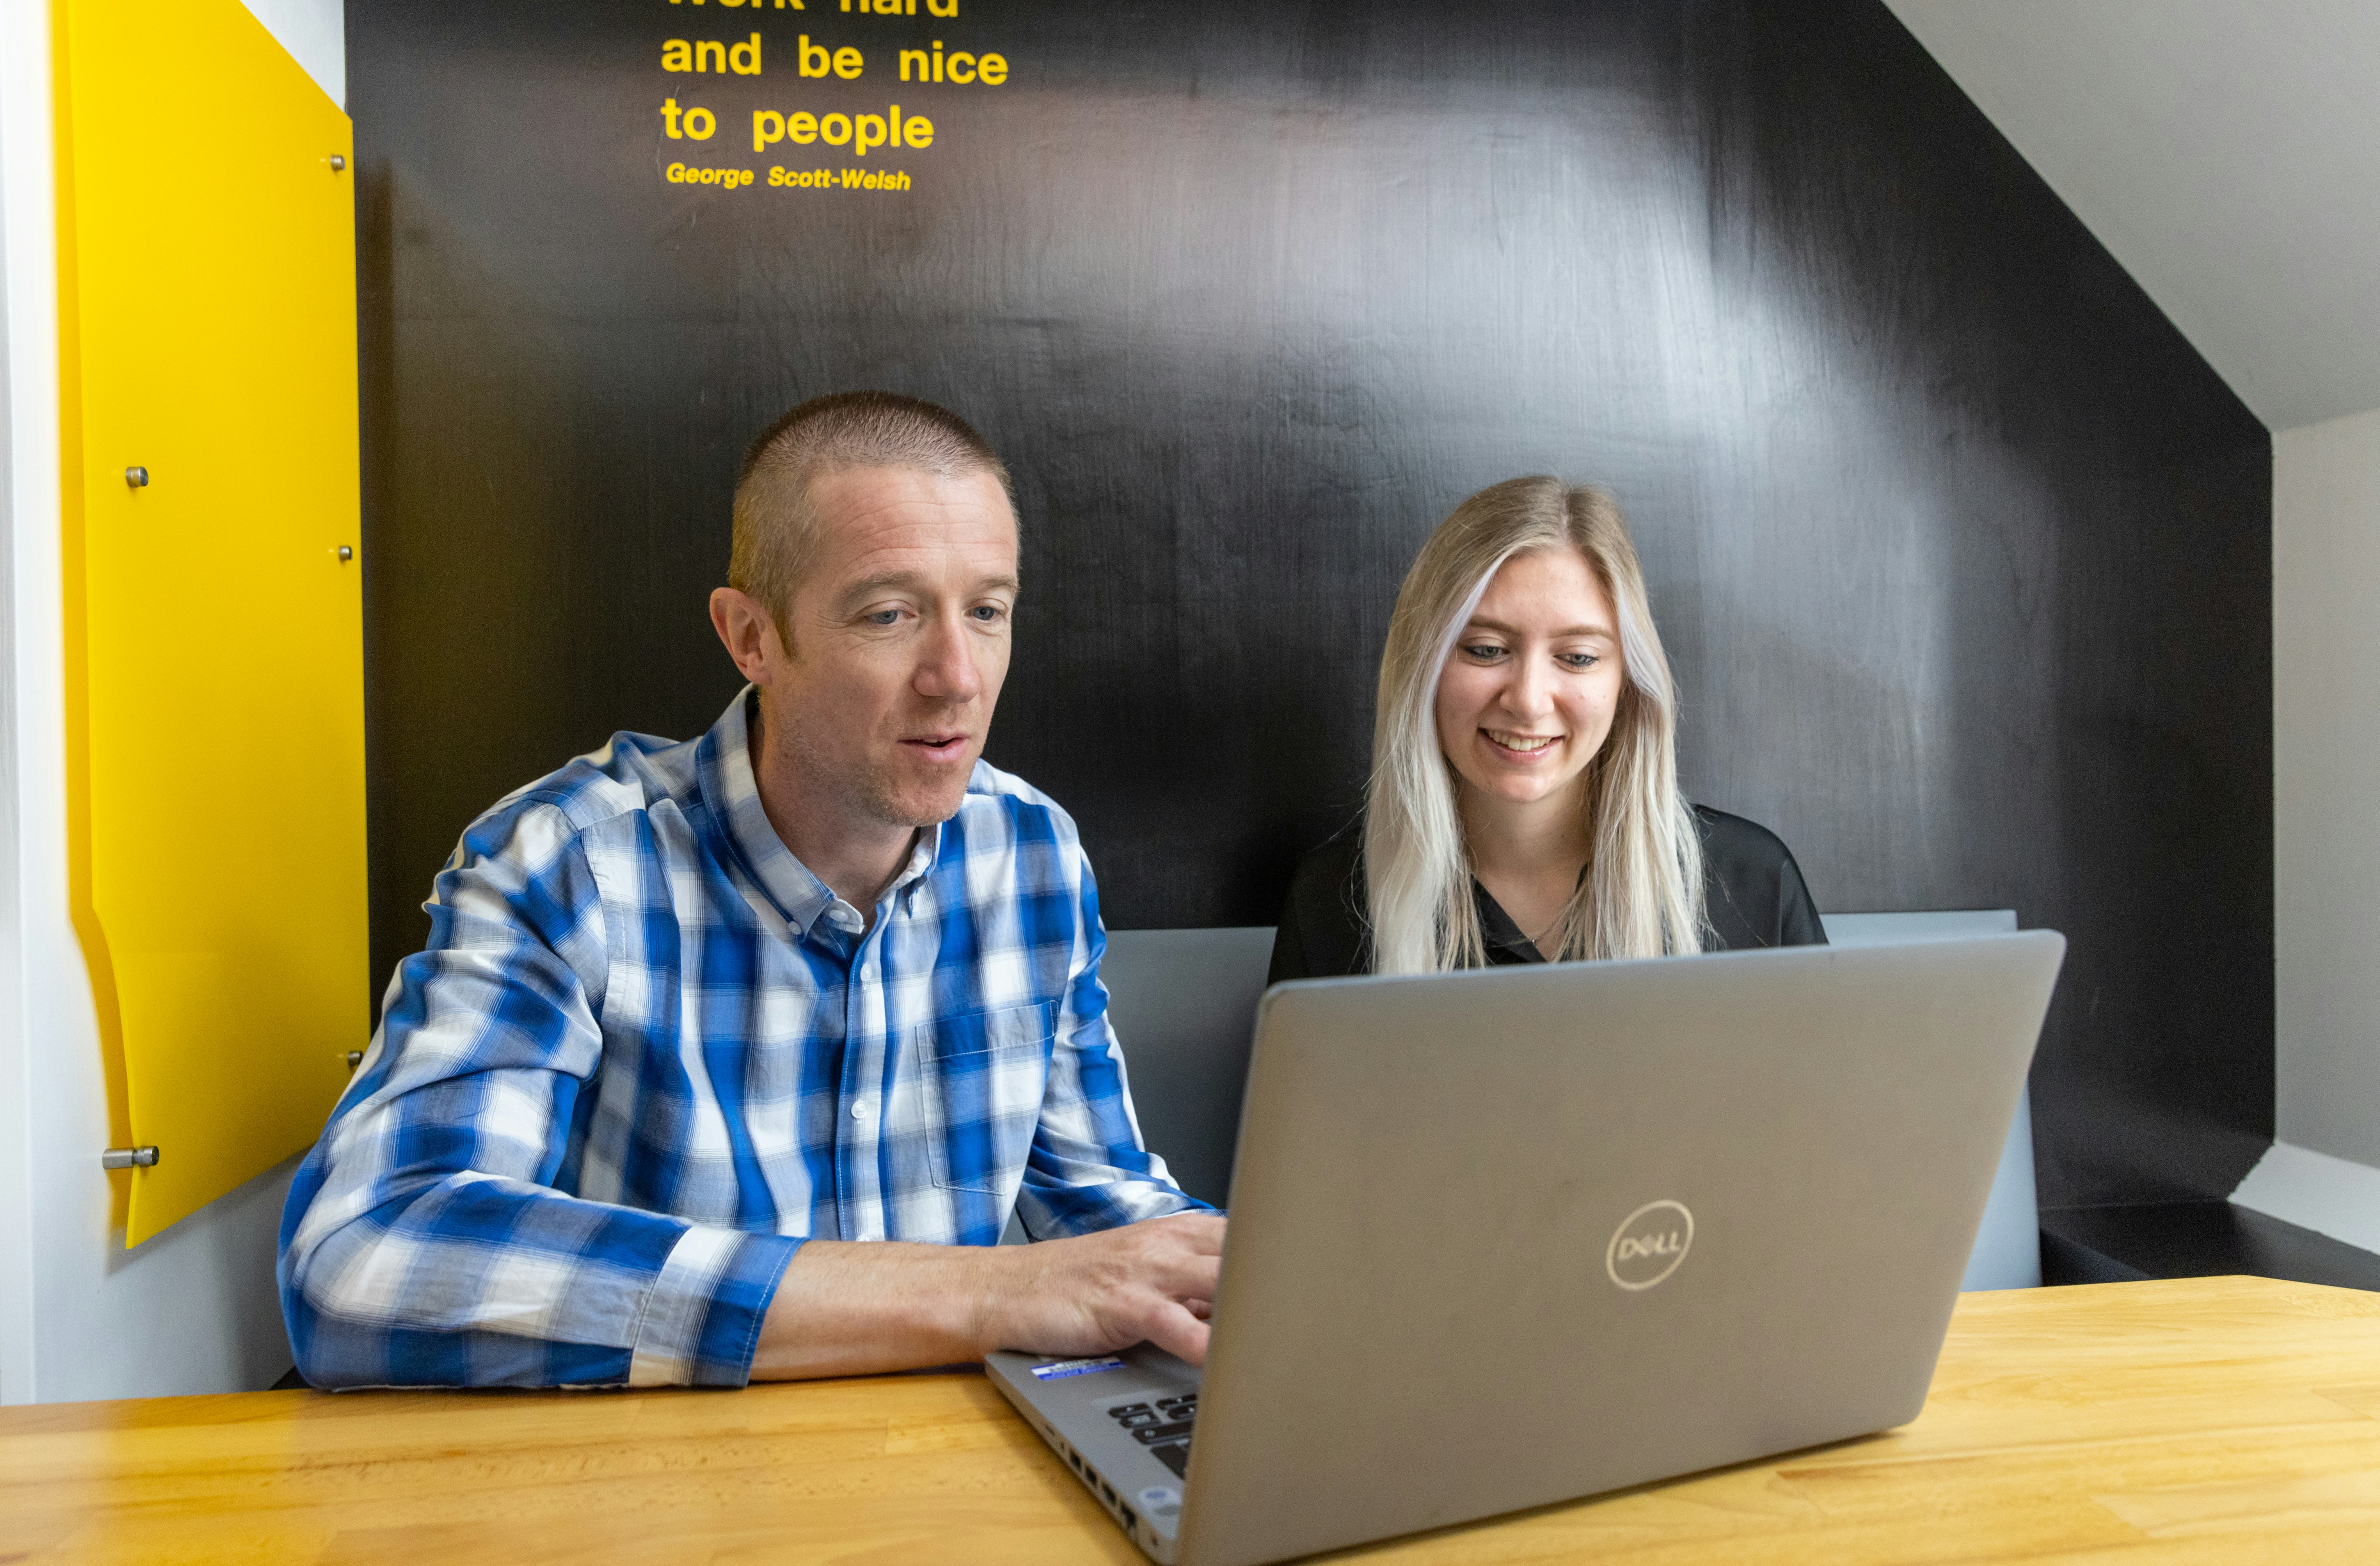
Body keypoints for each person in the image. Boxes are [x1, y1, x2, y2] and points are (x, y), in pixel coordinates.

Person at [280, 393, 1223, 1390]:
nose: (957, 677)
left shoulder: (1030, 852)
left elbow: (1094, 1205)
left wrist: (1270, 1281)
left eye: (986, 611)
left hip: (960, 1480)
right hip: (670, 1497)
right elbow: (363, 1258)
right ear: (750, 638)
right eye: (889, 614)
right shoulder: (569, 862)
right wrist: (980, 1295)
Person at [1271, 476, 1822, 982]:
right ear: (1423, 669)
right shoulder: (1332, 902)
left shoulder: (1755, 884)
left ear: (1627, 682)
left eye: (1578, 657)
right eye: (1486, 649)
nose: (1529, 701)